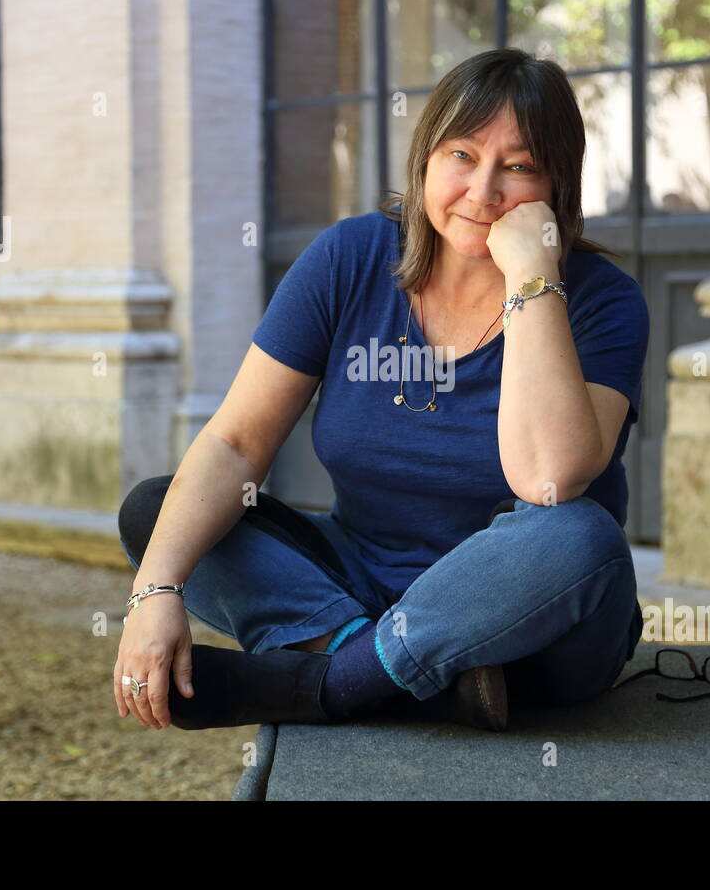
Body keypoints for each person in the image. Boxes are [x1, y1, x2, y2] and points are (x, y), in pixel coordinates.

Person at [114, 47, 650, 733]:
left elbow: (547, 477)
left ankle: (332, 682)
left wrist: (530, 276)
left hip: (537, 630)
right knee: (159, 512)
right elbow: (236, 441)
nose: (483, 192)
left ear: (556, 186)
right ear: (425, 157)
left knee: (580, 536)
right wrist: (154, 593)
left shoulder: (604, 302)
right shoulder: (351, 259)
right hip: (362, 580)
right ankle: (394, 668)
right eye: (462, 154)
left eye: (517, 167)